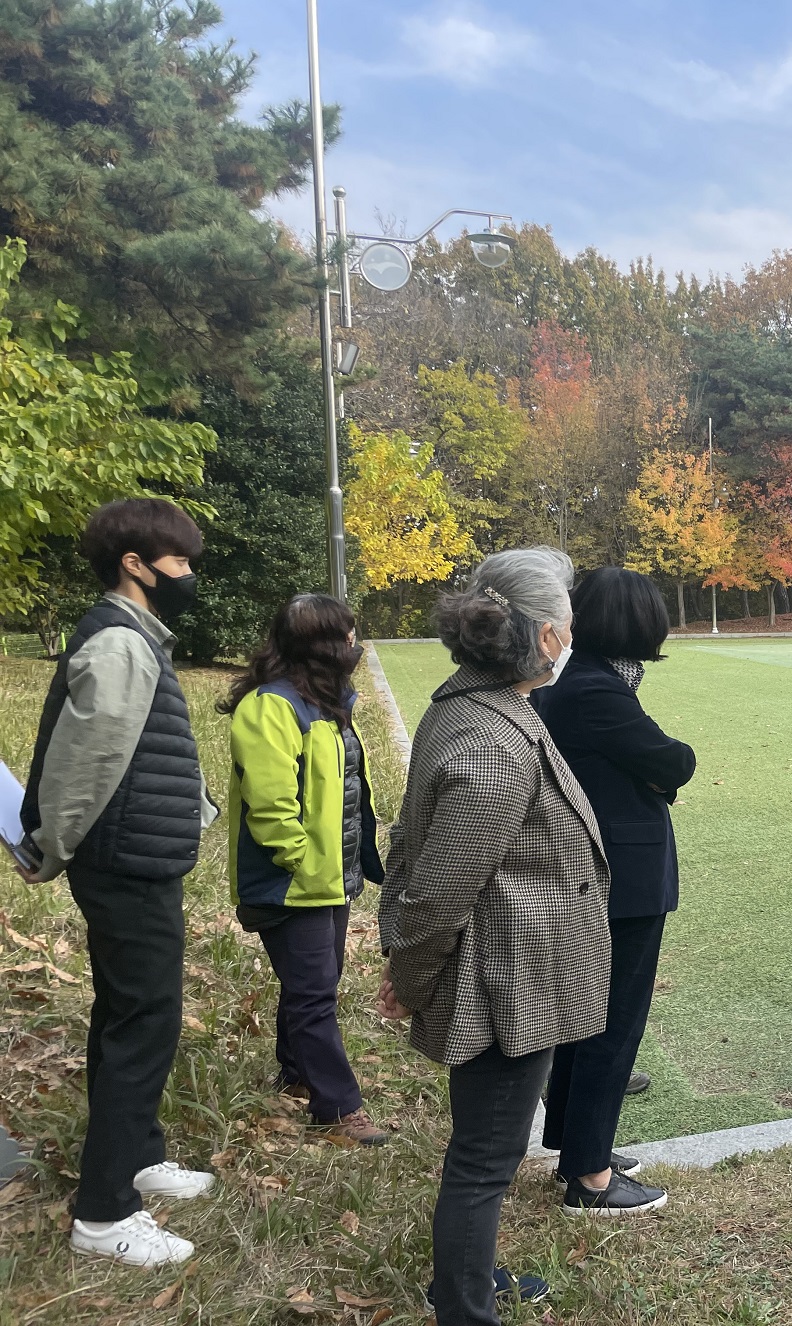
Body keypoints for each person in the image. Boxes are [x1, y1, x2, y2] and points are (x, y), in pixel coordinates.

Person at [377, 548, 612, 1325]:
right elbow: (438, 889)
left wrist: (404, 957)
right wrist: (408, 975)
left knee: (488, 1149)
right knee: (485, 1159)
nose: (573, 634)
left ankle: (468, 1278)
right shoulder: (490, 740)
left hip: (508, 975)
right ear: (546, 637)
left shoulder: (474, 708)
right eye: (568, 622)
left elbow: (413, 848)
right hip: (502, 987)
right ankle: (462, 1306)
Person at [15, 498, 219, 1266]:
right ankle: (104, 1214)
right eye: (180, 561)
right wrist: (50, 846)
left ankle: (136, 1156)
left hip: (137, 858)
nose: (189, 574)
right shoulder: (121, 645)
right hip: (125, 863)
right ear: (136, 564)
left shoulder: (132, 636)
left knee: (126, 1013)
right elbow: (87, 759)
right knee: (144, 1024)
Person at [537, 567, 689, 1218]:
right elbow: (674, 760)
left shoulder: (578, 681)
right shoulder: (597, 688)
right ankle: (591, 1176)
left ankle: (577, 1147)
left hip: (597, 872)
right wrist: (659, 774)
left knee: (586, 1019)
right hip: (621, 880)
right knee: (611, 1024)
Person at [221, 594, 388, 1147]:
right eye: (348, 634)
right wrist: (303, 860)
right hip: (292, 885)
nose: (355, 644)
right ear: (324, 643)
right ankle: (337, 1108)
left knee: (314, 982)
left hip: (329, 878)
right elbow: (270, 806)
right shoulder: (272, 707)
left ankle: (295, 1074)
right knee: (315, 994)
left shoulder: (329, 703)